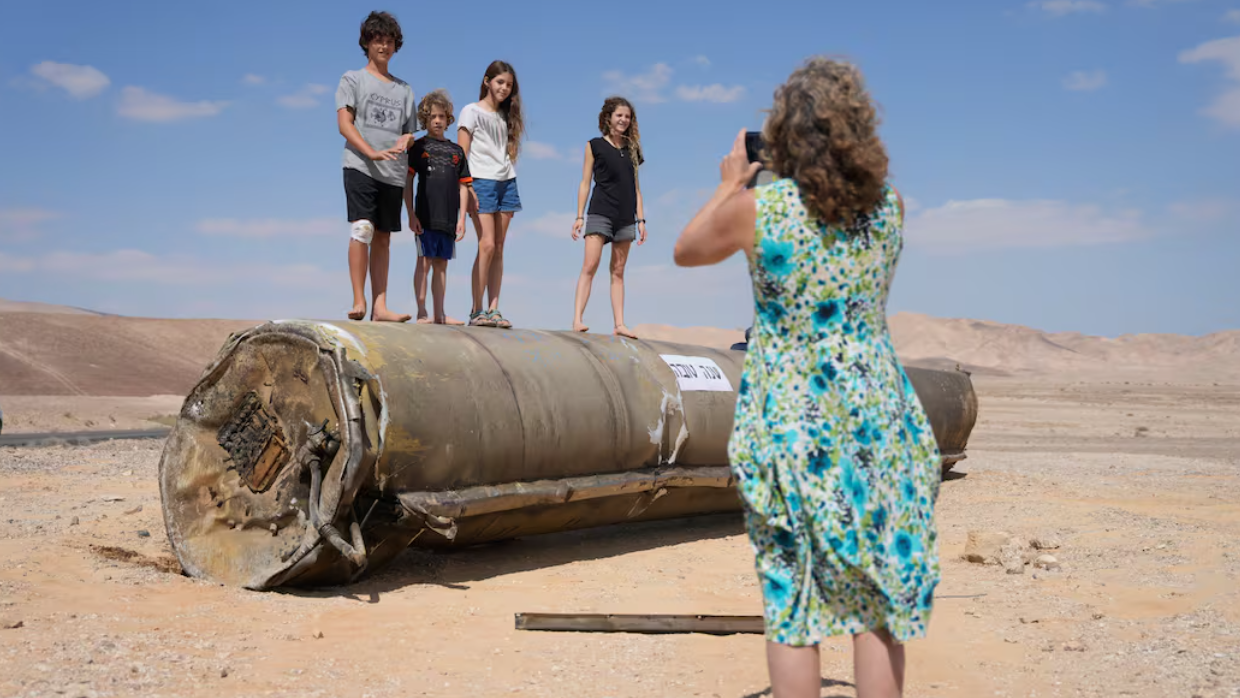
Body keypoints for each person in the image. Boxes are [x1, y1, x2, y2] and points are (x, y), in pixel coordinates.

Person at [672, 57, 941, 698]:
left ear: (785, 133)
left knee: (793, 606)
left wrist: (732, 182)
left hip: (790, 423)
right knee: (875, 605)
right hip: (881, 418)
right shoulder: (891, 208)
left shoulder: (760, 211)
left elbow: (685, 249)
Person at [335, 11, 419, 323]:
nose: (384, 46)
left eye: (389, 41)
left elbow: (410, 132)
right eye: (378, 40)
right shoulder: (352, 79)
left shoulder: (405, 89)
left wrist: (406, 141)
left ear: (395, 46)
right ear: (367, 44)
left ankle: (380, 306)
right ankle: (359, 299)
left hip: (393, 172)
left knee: (384, 236)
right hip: (360, 165)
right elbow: (344, 124)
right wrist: (370, 151)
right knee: (363, 228)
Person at [570, 96, 647, 338]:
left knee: (618, 271)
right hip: (600, 211)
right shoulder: (594, 145)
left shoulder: (633, 149)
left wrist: (641, 220)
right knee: (590, 265)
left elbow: (636, 188)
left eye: (627, 116)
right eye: (619, 115)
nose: (624, 119)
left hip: (625, 216)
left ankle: (620, 324)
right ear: (608, 118)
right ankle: (577, 320)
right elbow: (584, 182)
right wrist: (579, 216)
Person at [458, 61, 523, 329]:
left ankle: (494, 309)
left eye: (509, 85)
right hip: (480, 181)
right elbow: (461, 154)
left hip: (507, 181)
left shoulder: (506, 116)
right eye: (500, 82)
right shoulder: (470, 111)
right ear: (487, 81)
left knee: (498, 247)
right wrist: (467, 186)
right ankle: (477, 310)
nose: (504, 88)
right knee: (486, 244)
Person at [404, 90, 472, 325]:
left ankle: (439, 313)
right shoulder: (419, 147)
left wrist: (462, 219)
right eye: (433, 116)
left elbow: (464, 187)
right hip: (425, 215)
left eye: (442, 116)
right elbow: (408, 181)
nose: (437, 121)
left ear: (448, 119)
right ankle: (422, 311)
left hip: (449, 218)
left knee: (442, 265)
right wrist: (411, 214)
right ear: (426, 118)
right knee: (424, 261)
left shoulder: (457, 152)